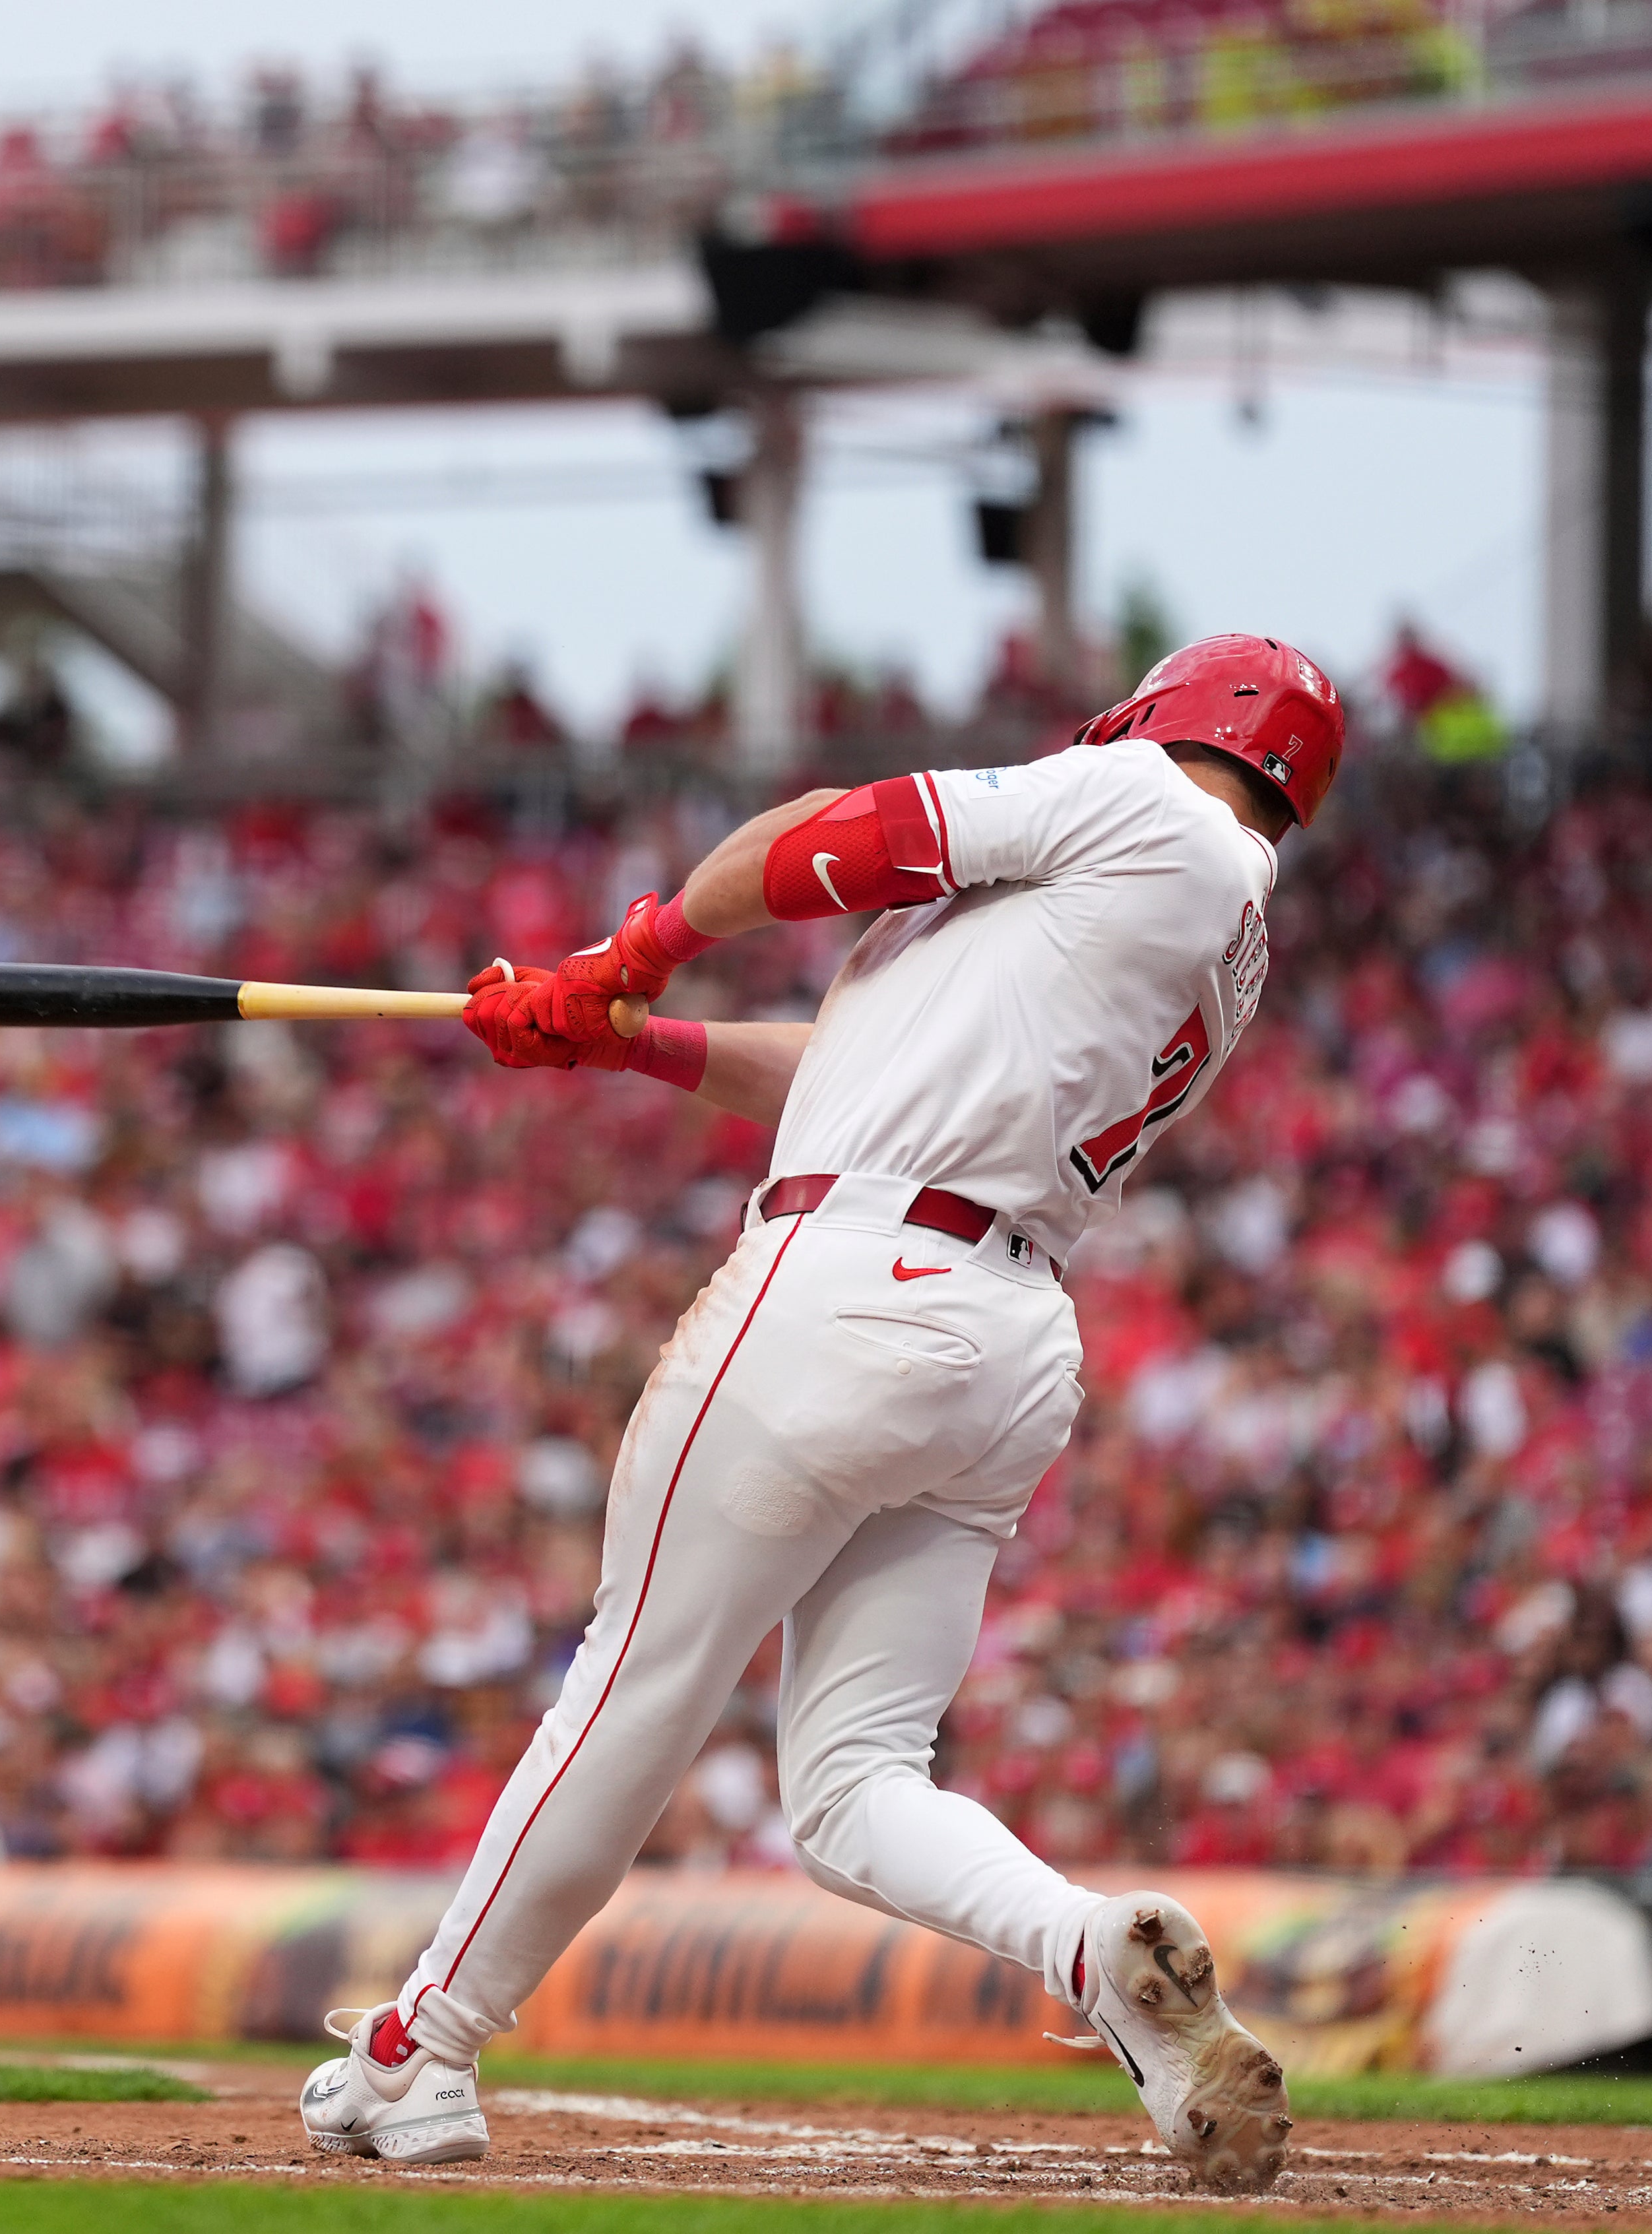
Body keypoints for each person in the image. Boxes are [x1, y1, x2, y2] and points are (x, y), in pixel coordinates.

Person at [300, 635, 1341, 2194]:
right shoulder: (1212, 921)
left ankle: (423, 2045)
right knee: (856, 1790)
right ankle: (1089, 1947)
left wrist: (634, 947)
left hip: (848, 1286)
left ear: (1163, 715)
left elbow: (829, 839)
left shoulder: (1133, 801)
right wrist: (626, 1040)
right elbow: (843, 1067)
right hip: (997, 1333)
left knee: (634, 1670)